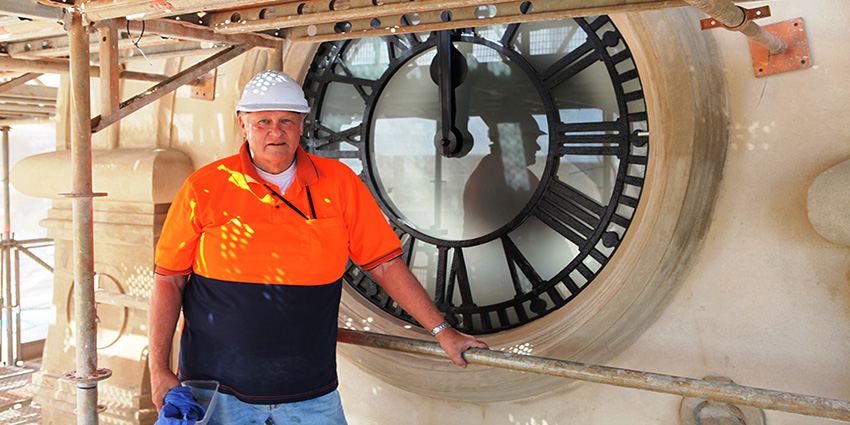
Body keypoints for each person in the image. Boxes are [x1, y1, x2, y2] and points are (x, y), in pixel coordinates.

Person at [149, 70, 488, 425]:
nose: (275, 132)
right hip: (215, 391)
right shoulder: (204, 187)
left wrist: (442, 332)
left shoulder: (340, 183)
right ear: (243, 124)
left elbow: (384, 264)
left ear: (301, 124)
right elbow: (169, 280)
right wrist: (158, 369)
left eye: (286, 121)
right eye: (263, 121)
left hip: (311, 395)